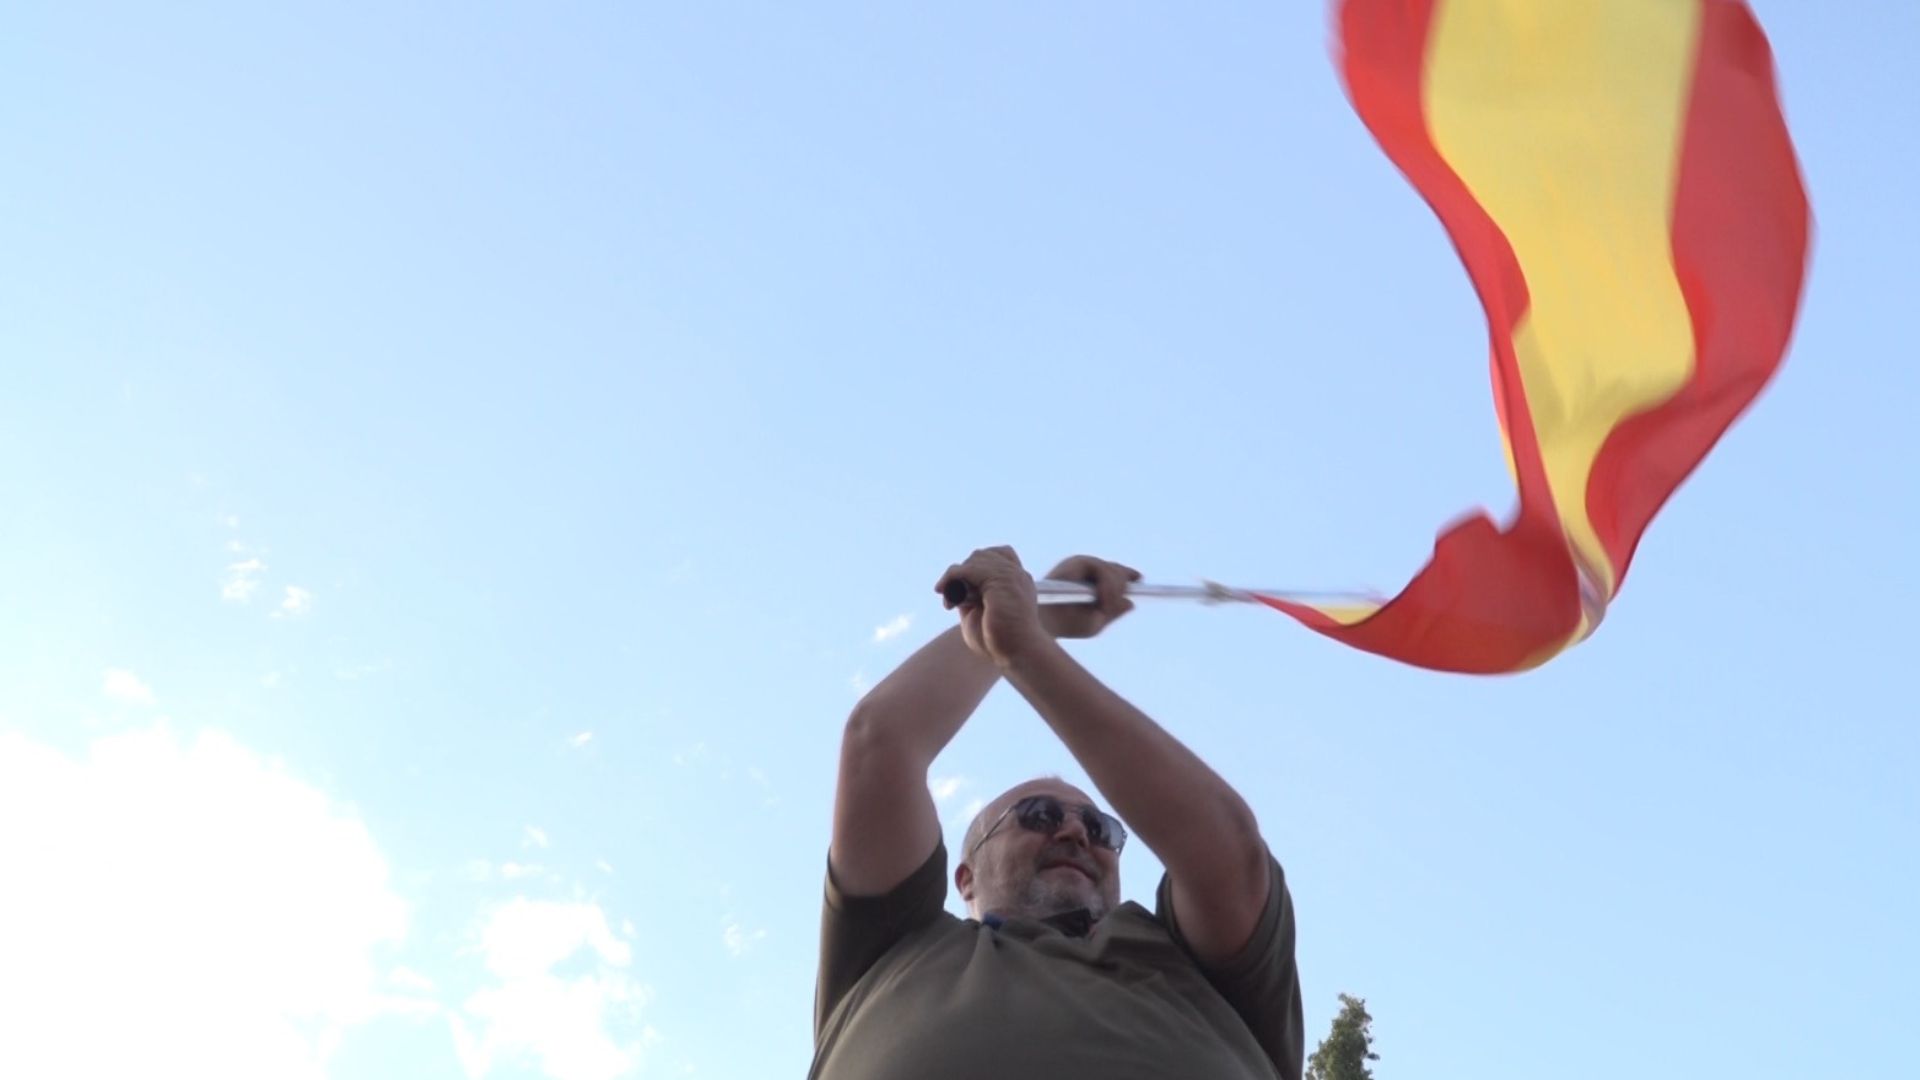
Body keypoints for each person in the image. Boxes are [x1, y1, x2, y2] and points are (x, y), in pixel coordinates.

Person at [809, 546, 1304, 1080]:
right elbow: (880, 744)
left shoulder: (1192, 966)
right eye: (1039, 816)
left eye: (1100, 828)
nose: (1074, 831)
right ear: (966, 876)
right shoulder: (895, 947)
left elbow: (1228, 852)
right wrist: (1036, 614)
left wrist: (1028, 645)